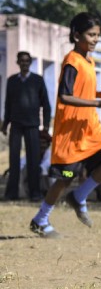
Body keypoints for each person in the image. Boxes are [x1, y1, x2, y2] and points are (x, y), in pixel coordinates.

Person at [29, 13, 101, 238]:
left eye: (98, 36)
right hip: (71, 131)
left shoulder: (89, 61)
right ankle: (40, 219)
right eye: (91, 35)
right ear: (76, 35)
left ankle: (79, 196)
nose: (95, 39)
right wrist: (98, 101)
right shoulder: (72, 61)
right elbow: (65, 96)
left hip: (90, 127)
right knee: (65, 178)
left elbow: (84, 92)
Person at [3, 51, 51, 201]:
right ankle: (12, 193)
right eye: (21, 61)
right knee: (14, 160)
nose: (24, 63)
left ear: (30, 63)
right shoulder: (12, 81)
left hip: (32, 126)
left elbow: (46, 105)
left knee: (33, 160)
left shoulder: (38, 80)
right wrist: (5, 124)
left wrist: (46, 126)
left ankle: (35, 193)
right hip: (16, 125)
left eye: (27, 61)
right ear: (18, 63)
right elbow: (8, 105)